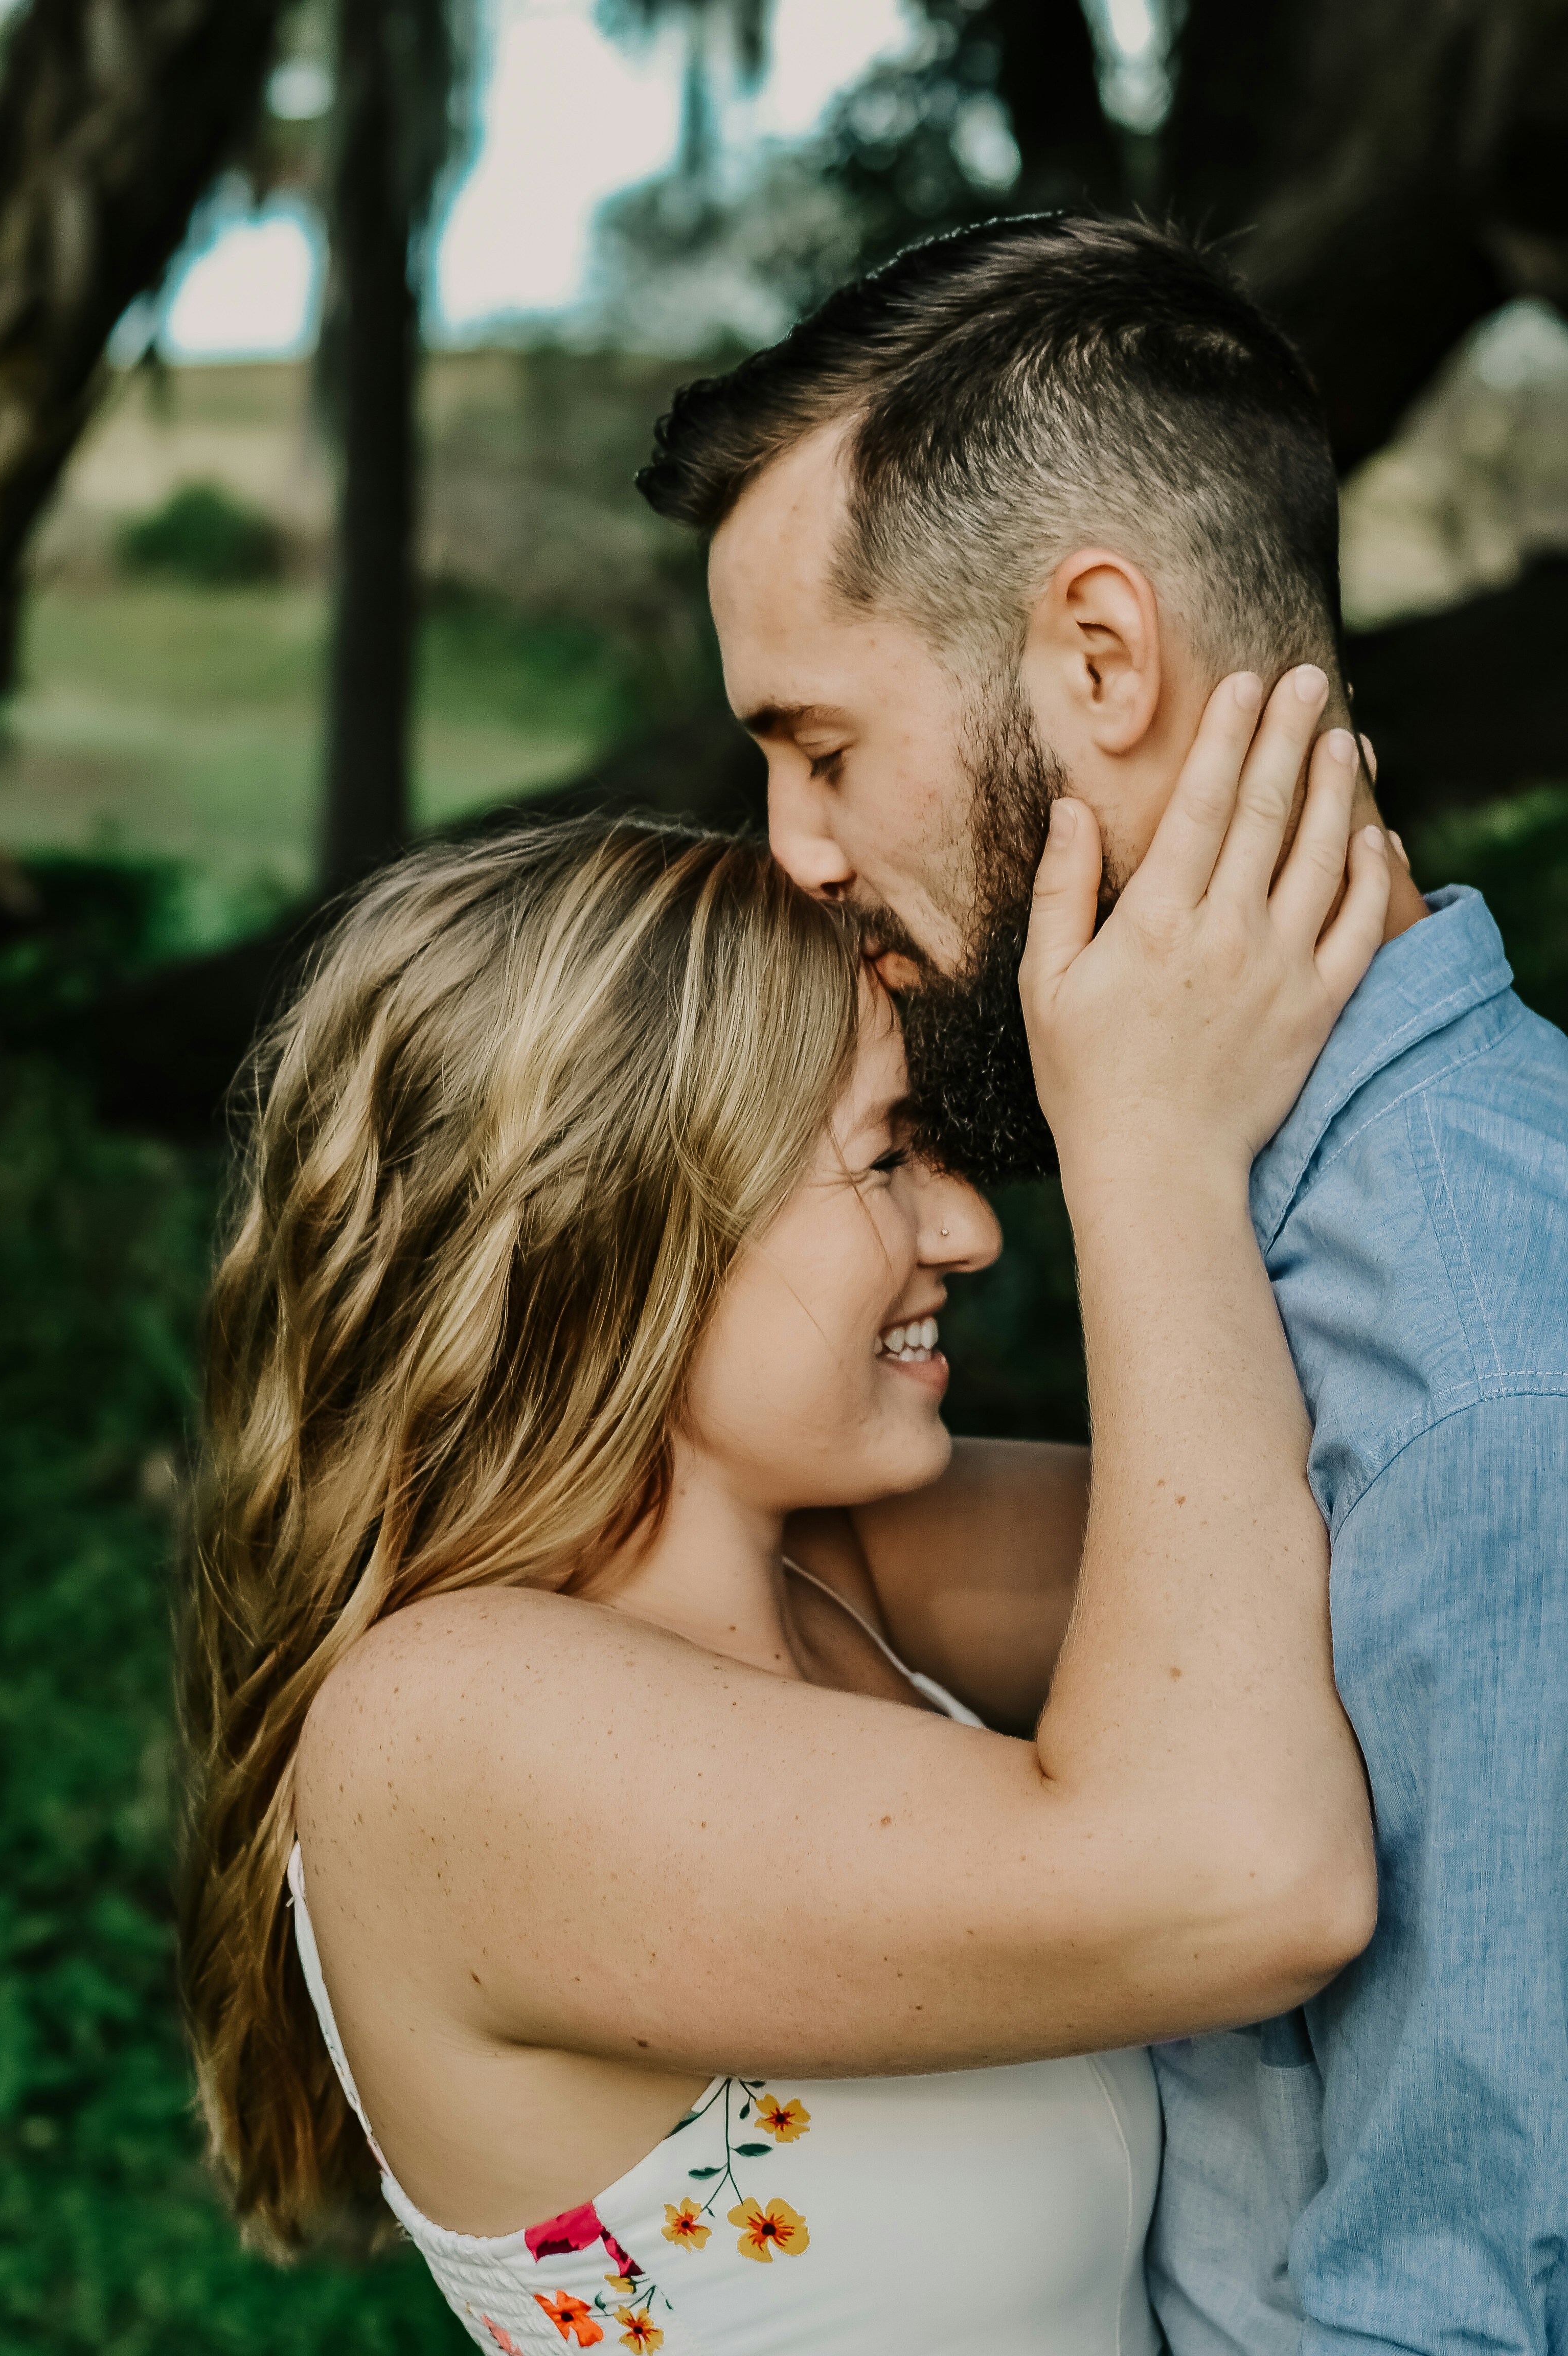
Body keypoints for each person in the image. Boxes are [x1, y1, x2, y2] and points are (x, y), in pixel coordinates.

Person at [180, 682, 1384, 2355]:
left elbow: (1368, 1546)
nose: (967, 1228)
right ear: (620, 1216)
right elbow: (1247, 1878)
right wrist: (1154, 1155)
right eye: (886, 1157)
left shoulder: (839, 1569)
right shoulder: (439, 1723)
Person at [639, 211, 1568, 2353]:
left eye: (822, 747)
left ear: (1099, 664)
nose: (792, 851)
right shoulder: (1267, 1237)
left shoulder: (1481, 1375)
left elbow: (1450, 2313)